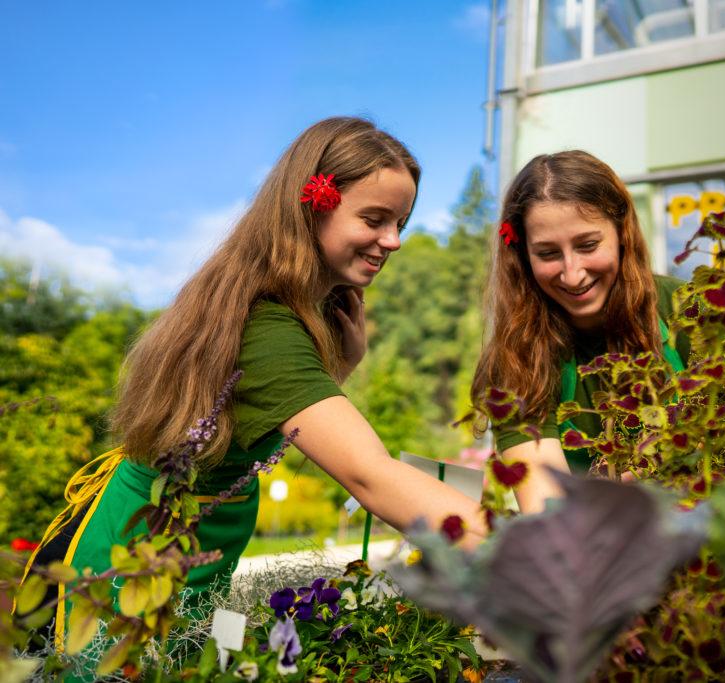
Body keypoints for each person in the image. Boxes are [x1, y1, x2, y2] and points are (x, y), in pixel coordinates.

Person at [24, 117, 487, 650]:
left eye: (400, 222)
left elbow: (264, 429)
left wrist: (341, 367)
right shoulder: (266, 329)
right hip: (129, 572)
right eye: (375, 219)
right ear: (312, 204)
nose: (394, 240)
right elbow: (369, 474)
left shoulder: (273, 307)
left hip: (173, 552)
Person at [471, 150, 688, 515]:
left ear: (622, 233)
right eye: (548, 253)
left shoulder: (690, 310)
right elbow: (548, 507)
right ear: (523, 254)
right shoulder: (515, 357)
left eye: (588, 245)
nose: (572, 274)